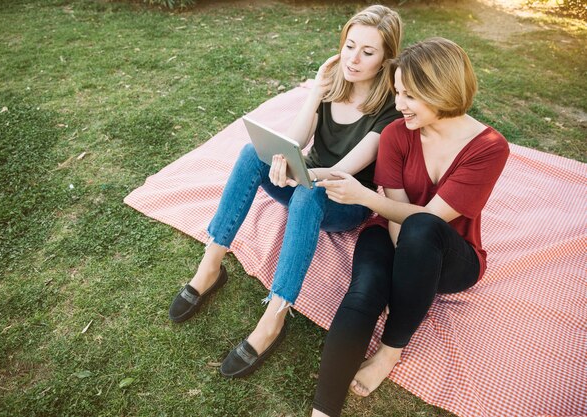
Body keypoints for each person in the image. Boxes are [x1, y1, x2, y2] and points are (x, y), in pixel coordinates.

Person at [168, 5, 403, 378]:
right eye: (349, 46)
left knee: (311, 192)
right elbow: (295, 141)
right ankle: (210, 266)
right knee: (252, 154)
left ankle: (273, 317)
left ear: (386, 59)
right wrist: (316, 92)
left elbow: (343, 171)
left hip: (342, 201)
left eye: (368, 52)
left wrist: (300, 179)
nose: (353, 59)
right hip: (305, 180)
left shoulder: (389, 110)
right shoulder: (333, 83)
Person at [311, 37, 510, 416]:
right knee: (365, 290)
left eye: (409, 95)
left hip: (452, 257)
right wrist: (398, 270)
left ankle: (390, 351)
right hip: (391, 232)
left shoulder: (489, 147)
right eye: (397, 92)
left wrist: (366, 197)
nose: (398, 104)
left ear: (442, 90)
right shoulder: (396, 133)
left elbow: (428, 223)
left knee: (421, 229)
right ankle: (323, 411)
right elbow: (398, 221)